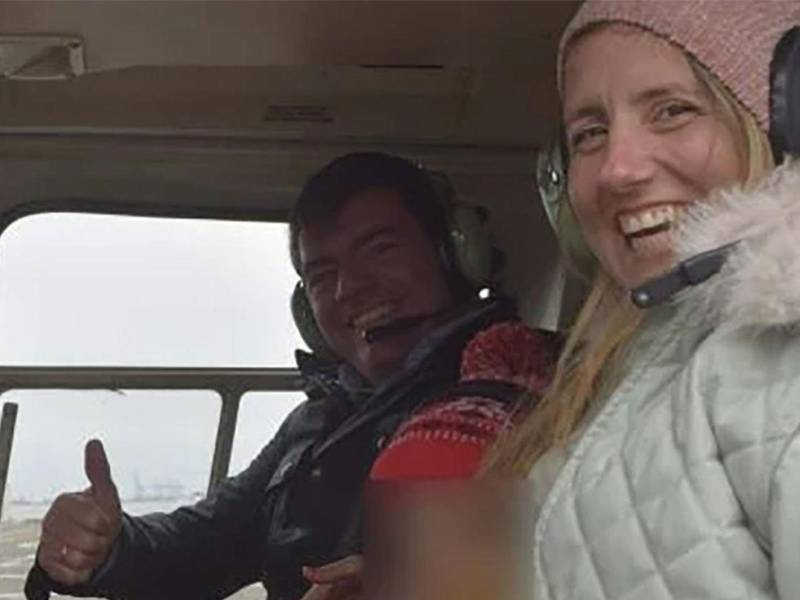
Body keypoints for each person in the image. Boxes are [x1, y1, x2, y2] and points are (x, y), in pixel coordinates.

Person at [24, 152, 561, 600]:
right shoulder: (323, 420)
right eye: (323, 274)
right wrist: (111, 547)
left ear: (455, 253)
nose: (350, 289)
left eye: (380, 249)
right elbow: (212, 539)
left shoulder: (521, 392)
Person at [488, 1, 800, 599]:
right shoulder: (642, 361)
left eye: (672, 111)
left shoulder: (780, 367)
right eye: (590, 134)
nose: (616, 170)